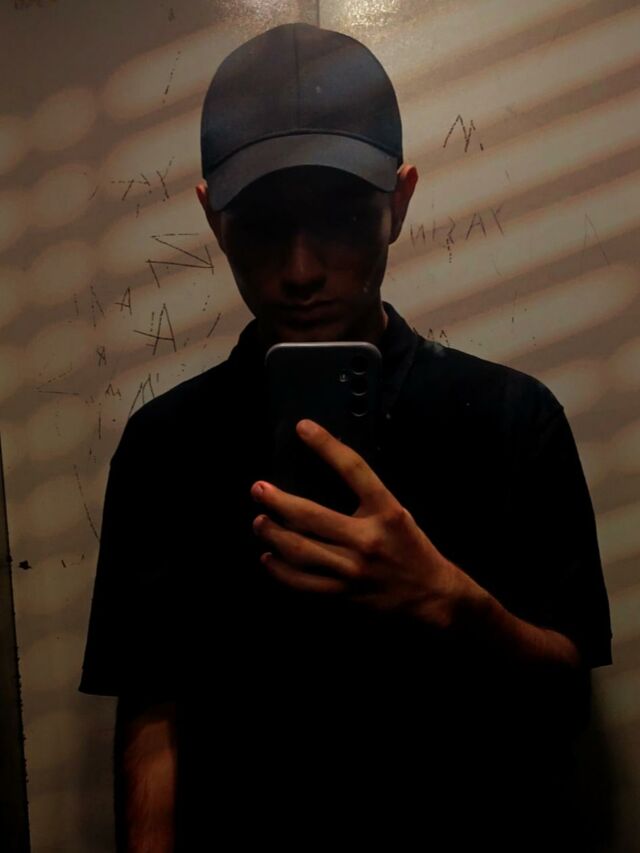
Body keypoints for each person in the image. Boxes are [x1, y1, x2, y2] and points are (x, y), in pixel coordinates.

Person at [79, 22, 613, 853]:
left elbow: (568, 702)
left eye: (338, 218)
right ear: (213, 218)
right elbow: (154, 719)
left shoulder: (513, 419)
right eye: (263, 224)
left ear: (398, 203)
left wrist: (449, 601)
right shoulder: (164, 447)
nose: (300, 270)